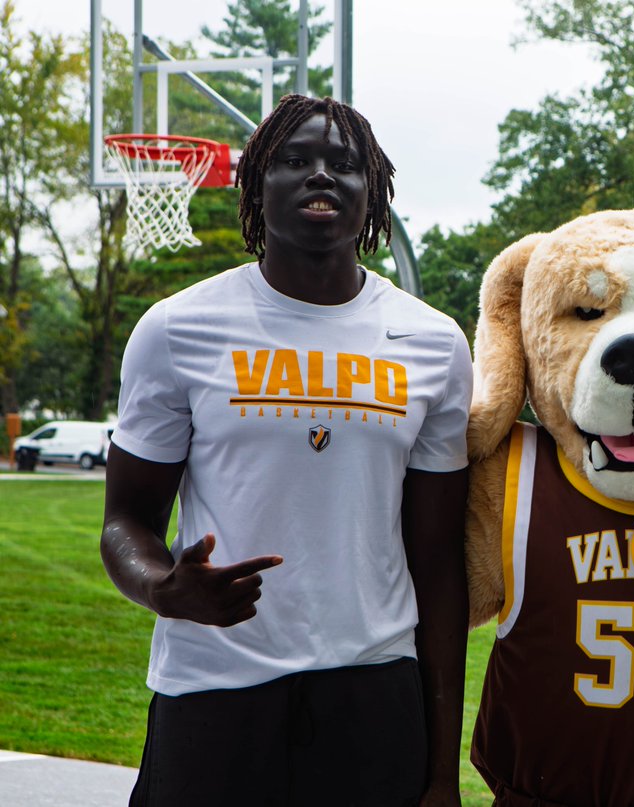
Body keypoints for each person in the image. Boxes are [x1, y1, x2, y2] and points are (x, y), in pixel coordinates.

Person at [100, 94, 470, 807]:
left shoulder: (434, 343)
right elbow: (125, 521)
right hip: (213, 687)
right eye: (294, 160)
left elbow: (437, 562)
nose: (321, 175)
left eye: (345, 164)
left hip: (372, 691)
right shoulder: (177, 328)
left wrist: (441, 775)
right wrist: (161, 586)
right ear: (256, 184)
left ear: (374, 192)